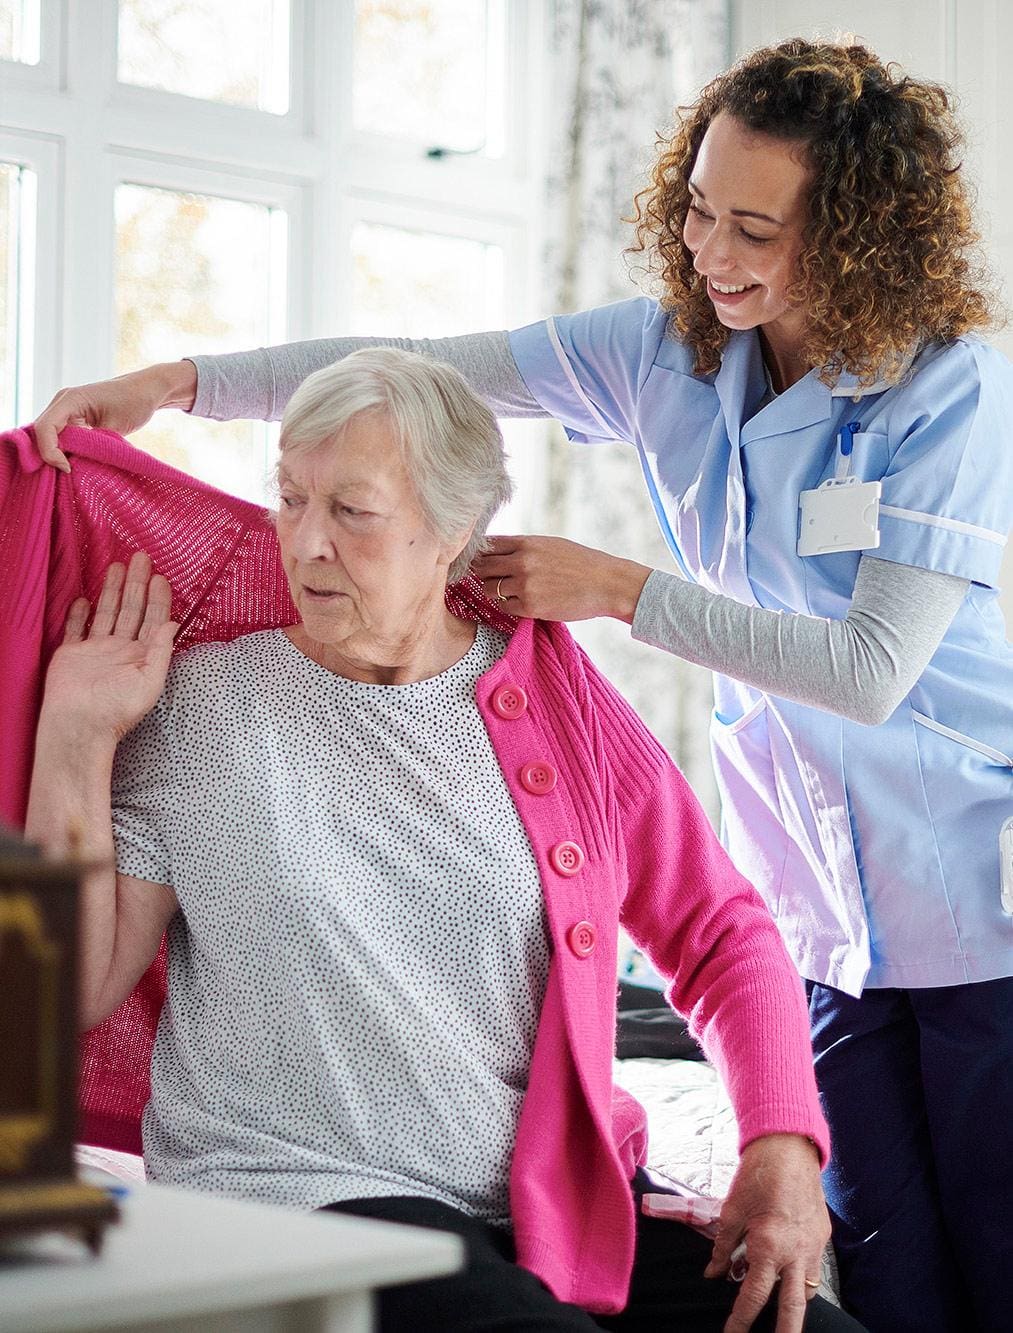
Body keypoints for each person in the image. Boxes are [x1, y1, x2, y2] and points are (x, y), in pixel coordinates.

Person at [27, 38, 1012, 1332]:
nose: (710, 250)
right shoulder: (666, 352)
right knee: (889, 1280)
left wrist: (614, 589)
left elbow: (871, 676)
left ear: (859, 235)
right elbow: (418, 361)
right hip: (821, 890)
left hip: (973, 879)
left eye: (754, 228)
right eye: (698, 209)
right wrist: (180, 383)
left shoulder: (942, 393)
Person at [25, 349, 862, 1333]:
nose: (305, 544)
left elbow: (719, 927)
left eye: (352, 510)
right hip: (304, 1197)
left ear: (452, 531)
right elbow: (63, 993)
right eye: (290, 498)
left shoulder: (551, 694)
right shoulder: (205, 703)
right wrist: (74, 738)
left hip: (543, 1213)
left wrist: (779, 1146)